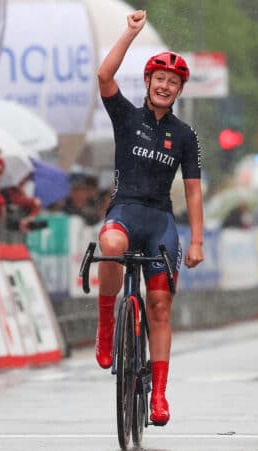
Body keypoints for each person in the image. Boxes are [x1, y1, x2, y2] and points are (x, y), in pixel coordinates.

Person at [95, 10, 204, 426]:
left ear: (178, 90)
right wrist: (130, 32)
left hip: (160, 221)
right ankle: (107, 326)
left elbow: (192, 190)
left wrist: (196, 240)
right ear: (147, 82)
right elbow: (105, 76)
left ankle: (158, 394)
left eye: (172, 82)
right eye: (159, 78)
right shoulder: (126, 116)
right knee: (110, 245)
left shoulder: (186, 135)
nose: (164, 85)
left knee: (159, 306)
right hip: (124, 210)